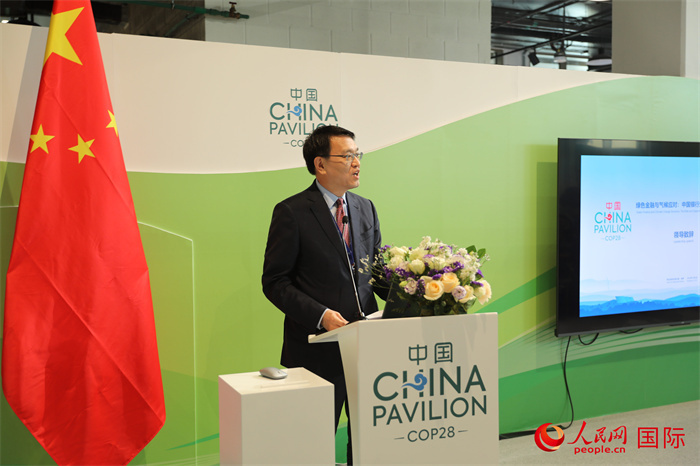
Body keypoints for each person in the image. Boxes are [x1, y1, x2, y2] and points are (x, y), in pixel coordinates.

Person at [262, 125, 387, 464]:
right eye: (347, 156)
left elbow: (377, 274)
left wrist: (417, 293)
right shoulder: (292, 212)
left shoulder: (365, 208)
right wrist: (321, 315)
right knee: (311, 445)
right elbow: (275, 282)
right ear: (320, 164)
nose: (357, 163)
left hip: (368, 348)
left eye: (358, 155)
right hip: (316, 350)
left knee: (369, 442)